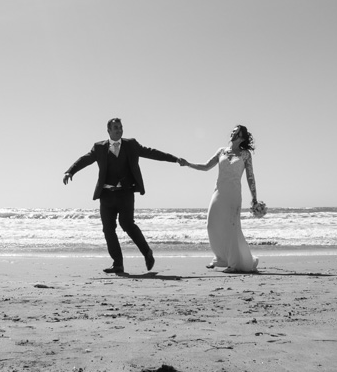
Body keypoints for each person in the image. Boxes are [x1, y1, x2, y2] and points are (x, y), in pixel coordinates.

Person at [63, 117, 184, 274]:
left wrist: (174, 159)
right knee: (108, 230)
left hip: (125, 193)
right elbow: (85, 159)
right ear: (109, 131)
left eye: (120, 127)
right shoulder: (99, 147)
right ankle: (118, 264)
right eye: (115, 128)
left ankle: (147, 252)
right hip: (106, 195)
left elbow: (151, 153)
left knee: (127, 224)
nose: (119, 130)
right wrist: (70, 171)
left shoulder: (131, 144)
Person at [182, 124, 260, 272]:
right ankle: (221, 258)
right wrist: (188, 164)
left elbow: (250, 177)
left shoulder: (245, 154)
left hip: (234, 194)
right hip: (219, 193)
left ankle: (234, 264)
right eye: (233, 131)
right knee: (212, 225)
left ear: (242, 137)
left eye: (237, 133)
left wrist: (254, 198)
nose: (233, 134)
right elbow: (205, 166)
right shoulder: (221, 151)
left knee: (231, 226)